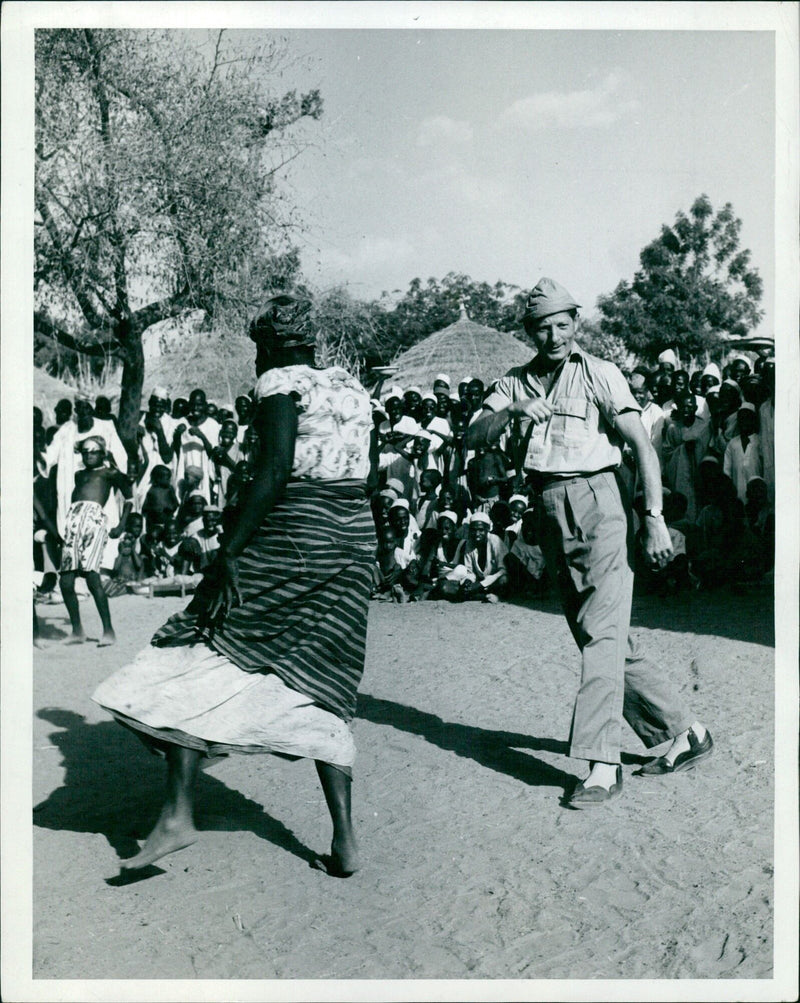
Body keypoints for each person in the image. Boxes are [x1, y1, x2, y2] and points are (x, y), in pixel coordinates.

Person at [92, 291, 375, 877]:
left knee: (198, 645)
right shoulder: (350, 384)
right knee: (323, 677)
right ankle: (345, 840)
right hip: (351, 541)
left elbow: (272, 474)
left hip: (295, 534)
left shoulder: (278, 384)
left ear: (268, 345)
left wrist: (227, 554)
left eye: (257, 349)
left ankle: (176, 815)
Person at [468, 277, 712, 807]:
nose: (553, 336)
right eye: (541, 327)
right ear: (529, 331)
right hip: (549, 508)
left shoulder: (599, 373)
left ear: (575, 323)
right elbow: (473, 434)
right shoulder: (515, 382)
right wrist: (508, 413)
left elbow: (642, 447)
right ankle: (686, 732)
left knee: (600, 636)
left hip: (600, 503)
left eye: (562, 325)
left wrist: (652, 516)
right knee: (601, 636)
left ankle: (603, 763)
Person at [60, 436, 132, 646]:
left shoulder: (110, 473)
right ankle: (77, 630)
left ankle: (108, 631)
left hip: (94, 522)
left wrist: (121, 525)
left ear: (102, 453)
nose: (89, 455)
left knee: (92, 577)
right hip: (74, 522)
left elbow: (129, 497)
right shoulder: (79, 475)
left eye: (93, 451)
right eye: (85, 452)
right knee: (65, 580)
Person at [723, 403, 762, 504]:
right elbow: (726, 471)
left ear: (753, 420)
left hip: (757, 496)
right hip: (737, 496)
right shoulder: (732, 444)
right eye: (741, 418)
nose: (744, 422)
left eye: (747, 418)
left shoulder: (759, 441)